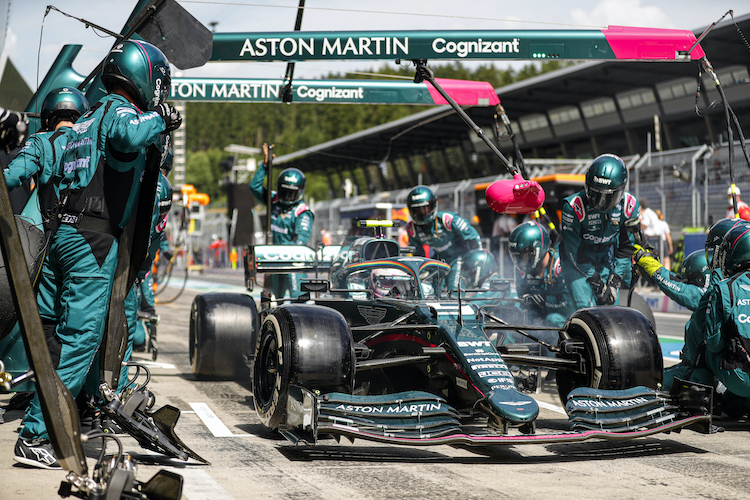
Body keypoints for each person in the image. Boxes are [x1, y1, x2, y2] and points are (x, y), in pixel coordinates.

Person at [14, 40, 181, 469]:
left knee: (81, 336)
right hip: (93, 242)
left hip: (67, 235)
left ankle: (92, 406)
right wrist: (160, 120)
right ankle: (35, 435)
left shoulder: (87, 117)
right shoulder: (120, 114)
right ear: (144, 77)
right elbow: (129, 135)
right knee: (81, 340)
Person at [559, 154, 640, 309]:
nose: (601, 202)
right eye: (596, 194)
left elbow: (626, 247)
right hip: (576, 259)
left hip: (605, 256)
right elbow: (572, 250)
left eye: (609, 196)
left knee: (610, 306)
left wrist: (615, 279)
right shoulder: (574, 206)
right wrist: (596, 282)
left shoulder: (629, 206)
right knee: (585, 307)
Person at [692, 222, 750, 413]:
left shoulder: (725, 287)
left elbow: (714, 343)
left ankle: (699, 401)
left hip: (739, 378)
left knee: (706, 348)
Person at [249, 142, 313, 298]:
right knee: (269, 301)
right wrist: (264, 166)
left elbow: (300, 240)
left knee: (298, 301)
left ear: (300, 192)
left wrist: (280, 252)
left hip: (293, 263)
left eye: (291, 193)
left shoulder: (302, 212)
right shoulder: (274, 200)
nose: (287, 197)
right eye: (284, 192)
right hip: (272, 262)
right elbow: (254, 187)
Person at [405, 185, 481, 291]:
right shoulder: (411, 228)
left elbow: (473, 239)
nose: (422, 213)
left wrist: (474, 262)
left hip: (458, 258)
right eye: (417, 210)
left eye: (425, 208)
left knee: (455, 291)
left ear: (433, 205)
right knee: (428, 291)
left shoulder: (448, 220)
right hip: (438, 260)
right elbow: (417, 255)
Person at [509, 221, 575, 331]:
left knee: (552, 319)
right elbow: (523, 300)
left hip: (564, 317)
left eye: (524, 255)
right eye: (518, 257)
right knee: (514, 318)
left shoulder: (561, 265)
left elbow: (569, 304)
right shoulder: (521, 270)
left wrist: (544, 301)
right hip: (538, 316)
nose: (521, 262)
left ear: (538, 249)